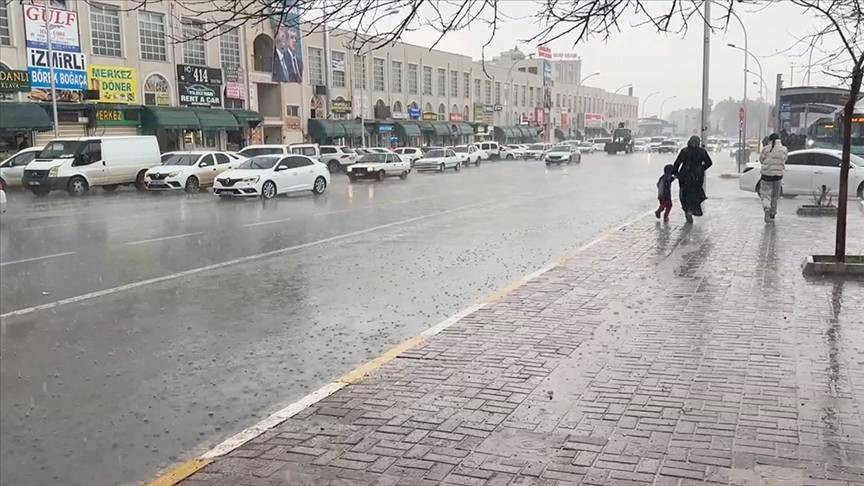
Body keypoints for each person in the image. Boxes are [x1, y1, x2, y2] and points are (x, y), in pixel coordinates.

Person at [672, 135, 713, 223]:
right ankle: (691, 210)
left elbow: (677, 163)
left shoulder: (685, 151)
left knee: (685, 194)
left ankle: (688, 210)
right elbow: (709, 163)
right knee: (693, 194)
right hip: (695, 176)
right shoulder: (701, 151)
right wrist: (701, 169)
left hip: (686, 176)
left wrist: (676, 173)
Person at [758, 133, 788, 223]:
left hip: (766, 175)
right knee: (775, 195)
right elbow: (785, 159)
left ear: (769, 140)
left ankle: (767, 209)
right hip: (778, 176)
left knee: (765, 194)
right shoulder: (784, 149)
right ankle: (773, 213)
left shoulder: (766, 149)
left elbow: (761, 160)